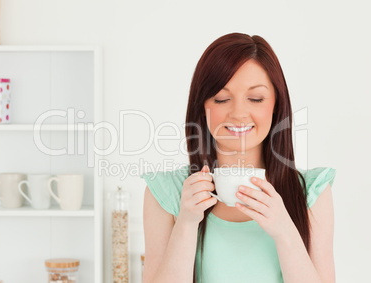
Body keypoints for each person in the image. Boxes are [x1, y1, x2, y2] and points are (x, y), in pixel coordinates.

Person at [141, 32, 336, 283]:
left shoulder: (312, 192)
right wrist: (187, 224)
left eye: (255, 98)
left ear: (277, 104)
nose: (239, 113)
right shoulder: (167, 193)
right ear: (202, 106)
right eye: (222, 99)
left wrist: (285, 231)